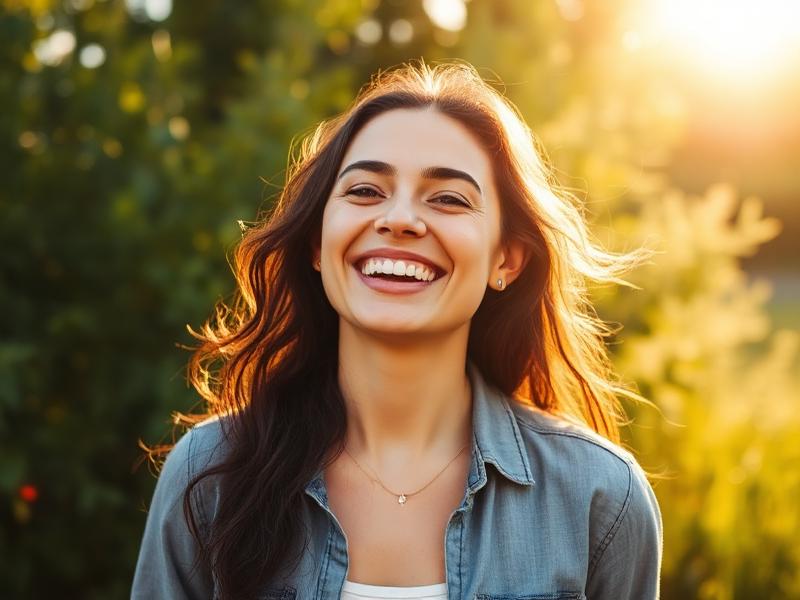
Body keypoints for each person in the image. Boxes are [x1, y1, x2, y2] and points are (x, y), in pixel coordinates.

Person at [132, 60, 662, 600]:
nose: (399, 219)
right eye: (365, 191)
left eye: (449, 198)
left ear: (507, 258)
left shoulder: (601, 498)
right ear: (318, 242)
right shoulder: (209, 476)